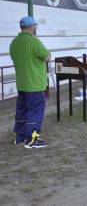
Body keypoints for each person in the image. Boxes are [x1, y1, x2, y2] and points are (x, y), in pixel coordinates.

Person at [9, 17, 51, 148]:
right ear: (31, 27)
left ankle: (19, 137)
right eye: (35, 27)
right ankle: (32, 140)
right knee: (34, 112)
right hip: (35, 85)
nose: (35, 29)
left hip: (21, 84)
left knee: (21, 111)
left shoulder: (14, 43)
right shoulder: (34, 41)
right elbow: (47, 57)